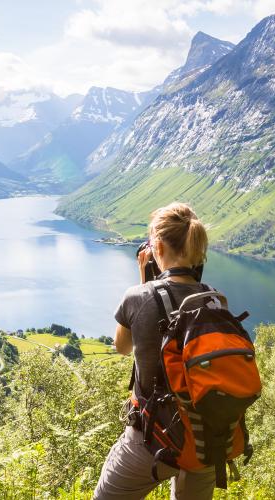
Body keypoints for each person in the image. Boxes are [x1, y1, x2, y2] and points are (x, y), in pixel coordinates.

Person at [93, 202, 216, 500]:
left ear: (157, 247)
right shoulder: (212, 298)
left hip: (151, 439)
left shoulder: (137, 296)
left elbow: (122, 347)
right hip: (206, 440)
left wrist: (143, 280)